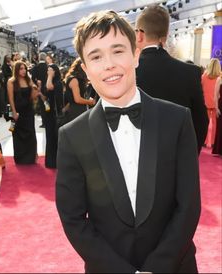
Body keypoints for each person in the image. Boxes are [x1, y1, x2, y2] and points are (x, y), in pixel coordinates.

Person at [56, 10, 201, 273]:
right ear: (86, 69)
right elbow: (73, 219)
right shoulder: (71, 136)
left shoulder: (177, 120)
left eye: (118, 51)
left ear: (136, 54)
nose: (109, 64)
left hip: (175, 266)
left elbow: (188, 206)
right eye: (96, 56)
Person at [135, 4, 208, 154]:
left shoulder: (127, 72)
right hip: (176, 162)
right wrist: (188, 158)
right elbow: (201, 122)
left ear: (140, 34)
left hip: (134, 163)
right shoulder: (190, 72)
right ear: (166, 34)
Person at [7, 61, 37, 164]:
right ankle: (20, 158)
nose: (23, 71)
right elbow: (10, 99)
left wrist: (35, 89)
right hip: (17, 112)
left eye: (24, 68)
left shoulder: (28, 80)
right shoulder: (11, 82)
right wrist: (14, 112)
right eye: (21, 69)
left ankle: (31, 157)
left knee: (30, 133)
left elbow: (33, 97)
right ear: (16, 70)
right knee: (17, 135)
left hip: (28, 111)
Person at [64, 57, 96, 122]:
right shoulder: (74, 80)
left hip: (78, 110)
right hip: (76, 111)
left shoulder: (77, 79)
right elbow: (77, 99)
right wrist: (90, 102)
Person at [44, 64, 63, 168]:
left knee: (54, 137)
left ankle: (56, 161)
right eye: (48, 70)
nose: (48, 72)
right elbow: (46, 94)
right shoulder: (49, 81)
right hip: (49, 112)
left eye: (50, 70)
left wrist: (50, 76)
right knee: (49, 136)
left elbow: (49, 87)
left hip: (55, 114)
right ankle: (50, 162)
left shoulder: (57, 83)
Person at [201, 58, 221, 148]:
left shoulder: (204, 76)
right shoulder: (219, 78)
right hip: (216, 102)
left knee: (205, 123)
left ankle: (205, 141)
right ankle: (213, 142)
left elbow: (201, 88)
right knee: (215, 123)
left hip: (205, 102)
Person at [212, 74, 222, 156]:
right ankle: (219, 150)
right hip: (221, 106)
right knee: (220, 128)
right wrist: (216, 107)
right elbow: (215, 94)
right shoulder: (219, 79)